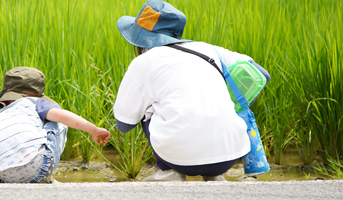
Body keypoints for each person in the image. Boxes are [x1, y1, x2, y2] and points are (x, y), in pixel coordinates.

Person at [114, 0, 270, 182]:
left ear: (142, 39)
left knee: (149, 107)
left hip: (178, 159)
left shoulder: (145, 61)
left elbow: (124, 125)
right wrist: (227, 102)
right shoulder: (208, 49)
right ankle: (215, 176)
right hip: (229, 156)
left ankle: (167, 172)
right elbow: (261, 73)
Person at [0, 67, 110, 183]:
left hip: (5, 176)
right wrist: (94, 129)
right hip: (37, 169)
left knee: (6, 143)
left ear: (6, 100)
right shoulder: (35, 103)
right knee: (57, 118)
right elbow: (63, 116)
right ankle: (47, 177)